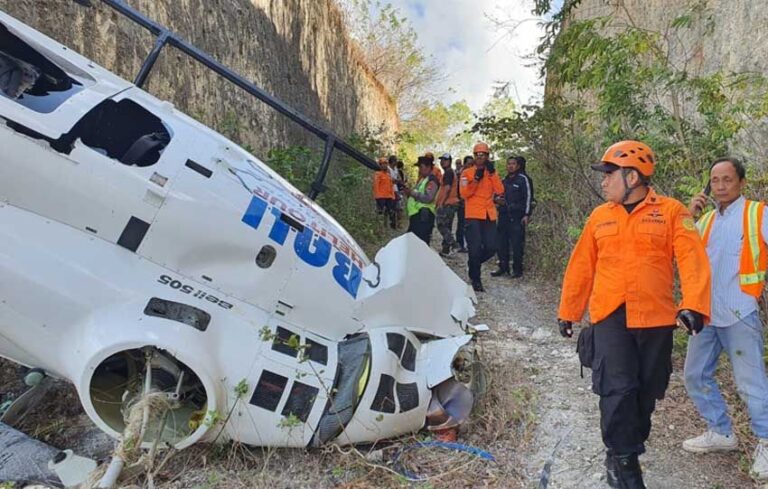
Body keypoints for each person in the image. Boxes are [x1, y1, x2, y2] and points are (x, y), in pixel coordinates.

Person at [557, 140, 711, 488]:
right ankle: (623, 462)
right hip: (610, 315)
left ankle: (627, 447)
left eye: (608, 174)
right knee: (618, 389)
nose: (603, 181)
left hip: (655, 317)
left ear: (632, 177)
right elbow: (582, 265)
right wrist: (569, 311)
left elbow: (691, 259)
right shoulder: (600, 216)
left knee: (646, 390)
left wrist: (694, 305)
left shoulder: (671, 212)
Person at [681, 157, 768, 479]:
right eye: (715, 180)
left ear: (741, 182)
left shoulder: (757, 213)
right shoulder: (704, 222)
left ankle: (766, 442)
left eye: (727, 179)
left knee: (751, 384)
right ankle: (721, 432)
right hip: (706, 316)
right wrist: (688, 218)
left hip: (740, 314)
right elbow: (682, 254)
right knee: (694, 375)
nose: (720, 186)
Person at [460, 142, 504, 292]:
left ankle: (474, 263)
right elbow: (464, 194)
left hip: (489, 214)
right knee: (475, 248)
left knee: (492, 247)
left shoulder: (491, 172)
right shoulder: (467, 173)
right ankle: (476, 279)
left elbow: (500, 190)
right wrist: (476, 180)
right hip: (473, 215)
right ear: (474, 156)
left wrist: (492, 174)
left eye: (483, 155)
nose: (480, 158)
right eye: (478, 155)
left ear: (487, 156)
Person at [492, 156, 534, 278]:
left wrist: (527, 214)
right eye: (508, 163)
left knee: (517, 244)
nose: (510, 166)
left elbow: (528, 198)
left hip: (517, 217)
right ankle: (503, 267)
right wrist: (496, 200)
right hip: (503, 215)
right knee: (501, 243)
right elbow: (496, 194)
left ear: (518, 165)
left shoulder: (523, 179)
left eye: (513, 164)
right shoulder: (504, 180)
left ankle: (517, 270)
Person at [404, 156, 439, 245]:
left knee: (421, 244)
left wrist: (411, 193)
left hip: (423, 216)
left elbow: (428, 198)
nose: (419, 170)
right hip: (417, 215)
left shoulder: (432, 180)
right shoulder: (423, 179)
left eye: (421, 167)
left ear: (428, 167)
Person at [436, 153, 460, 256]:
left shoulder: (449, 172)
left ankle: (454, 244)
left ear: (449, 161)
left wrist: (441, 202)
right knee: (447, 226)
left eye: (445, 160)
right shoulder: (448, 172)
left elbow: (447, 188)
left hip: (448, 203)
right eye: (441, 160)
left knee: (441, 225)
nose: (442, 162)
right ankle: (445, 249)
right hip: (451, 203)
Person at [455, 155, 473, 253]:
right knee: (461, 224)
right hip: (462, 204)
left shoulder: (475, 174)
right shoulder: (462, 175)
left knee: (470, 225)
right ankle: (460, 244)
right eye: (468, 164)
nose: (470, 166)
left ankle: (469, 245)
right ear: (464, 164)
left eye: (472, 164)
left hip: (472, 205)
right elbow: (460, 190)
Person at [373, 157, 396, 228]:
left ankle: (390, 226)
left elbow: (391, 186)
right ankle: (380, 228)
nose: (385, 165)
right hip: (381, 197)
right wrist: (377, 196)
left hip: (389, 197)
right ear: (380, 165)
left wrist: (393, 196)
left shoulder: (388, 175)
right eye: (383, 164)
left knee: (391, 212)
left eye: (386, 163)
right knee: (380, 213)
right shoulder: (378, 174)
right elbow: (376, 185)